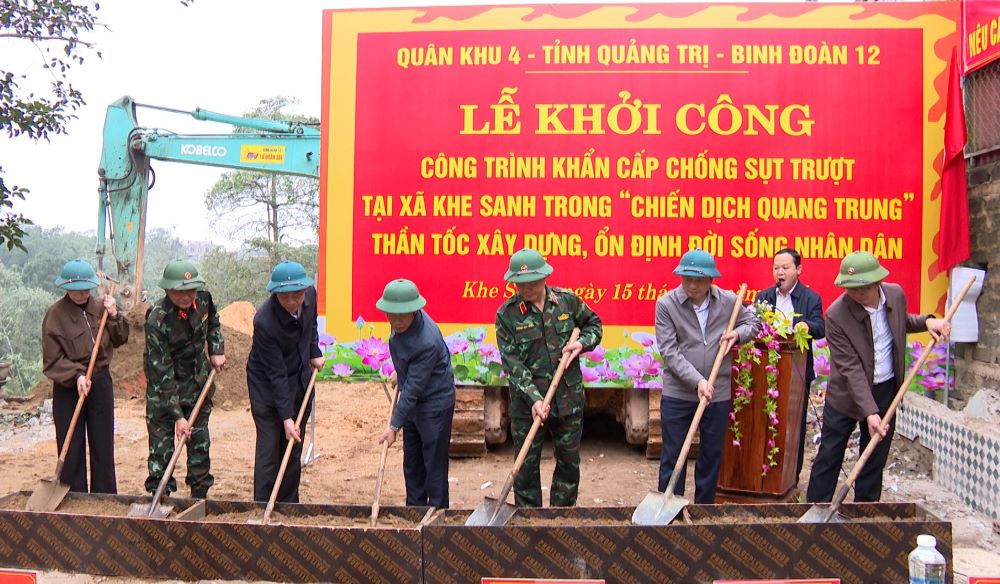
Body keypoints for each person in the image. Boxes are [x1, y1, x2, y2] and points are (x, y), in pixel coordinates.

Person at [806, 251, 950, 503]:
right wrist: (869, 412)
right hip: (847, 397)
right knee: (829, 454)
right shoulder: (836, 314)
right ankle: (815, 512)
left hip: (885, 389)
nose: (856, 295)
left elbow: (899, 321)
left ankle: (865, 514)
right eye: (850, 289)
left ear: (877, 283)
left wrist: (927, 322)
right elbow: (850, 368)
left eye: (861, 289)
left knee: (874, 456)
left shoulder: (895, 294)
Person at [495, 248, 603, 507]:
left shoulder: (567, 301)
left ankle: (561, 519)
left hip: (568, 399)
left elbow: (594, 325)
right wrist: (534, 399)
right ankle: (529, 522)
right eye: (520, 283)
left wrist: (582, 344)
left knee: (568, 463)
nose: (526, 288)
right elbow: (514, 365)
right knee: (526, 468)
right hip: (527, 405)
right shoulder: (507, 315)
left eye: (532, 282)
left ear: (544, 277)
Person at [654, 249, 760, 504]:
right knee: (673, 454)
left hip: (718, 391)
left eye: (699, 280)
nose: (692, 285)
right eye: (687, 278)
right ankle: (669, 508)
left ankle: (704, 510)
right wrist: (698, 381)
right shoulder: (666, 305)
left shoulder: (728, 301)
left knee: (711, 455)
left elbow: (753, 324)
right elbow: (670, 352)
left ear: (712, 280)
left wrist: (737, 335)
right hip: (680, 393)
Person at [41, 259, 129, 493]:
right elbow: (52, 361)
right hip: (69, 386)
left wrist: (114, 315)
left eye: (85, 289)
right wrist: (77, 376)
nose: (80, 295)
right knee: (71, 448)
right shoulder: (55, 315)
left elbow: (121, 338)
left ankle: (105, 498)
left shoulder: (101, 306)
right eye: (75, 290)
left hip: (99, 381)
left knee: (102, 444)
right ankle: (74, 496)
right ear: (65, 288)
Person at [144, 259, 225, 499]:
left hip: (198, 384)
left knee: (200, 446)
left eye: (191, 289)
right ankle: (160, 497)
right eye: (181, 291)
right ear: (168, 290)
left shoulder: (203, 300)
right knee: (162, 451)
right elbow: (161, 371)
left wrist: (216, 348)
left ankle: (199, 497)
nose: (187, 295)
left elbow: (214, 323)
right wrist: (178, 416)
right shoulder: (157, 320)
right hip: (164, 392)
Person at [247, 261, 324, 503]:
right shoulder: (264, 322)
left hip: (299, 379)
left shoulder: (310, 296)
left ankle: (289, 505)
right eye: (286, 297)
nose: (293, 302)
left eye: (297, 295)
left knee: (293, 447)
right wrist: (286, 418)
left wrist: (314, 350)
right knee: (270, 448)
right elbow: (276, 374)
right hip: (268, 388)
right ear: (275, 293)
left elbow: (311, 324)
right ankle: (263, 506)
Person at [376, 279, 456, 508]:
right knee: (412, 463)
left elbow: (411, 391)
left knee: (434, 465)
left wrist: (393, 427)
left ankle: (437, 516)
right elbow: (407, 364)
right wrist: (401, 373)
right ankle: (415, 512)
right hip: (415, 401)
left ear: (414, 311)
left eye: (403, 315)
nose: (397, 321)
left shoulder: (426, 341)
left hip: (435, 403)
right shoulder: (398, 321)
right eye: (392, 315)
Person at [755, 247, 825, 479]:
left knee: (792, 427)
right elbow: (754, 326)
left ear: (798, 270)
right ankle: (762, 473)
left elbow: (820, 326)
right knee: (763, 421)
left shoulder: (811, 298)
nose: (779, 273)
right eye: (776, 268)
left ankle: (790, 478)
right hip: (765, 370)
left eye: (785, 268)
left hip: (796, 372)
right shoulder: (764, 297)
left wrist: (806, 326)